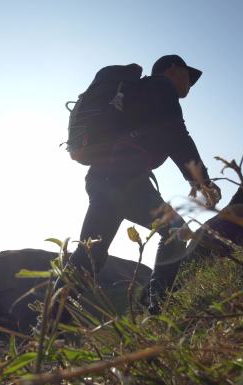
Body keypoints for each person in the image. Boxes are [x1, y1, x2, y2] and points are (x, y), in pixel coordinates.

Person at [67, 54, 221, 315]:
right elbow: (176, 135)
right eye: (187, 76)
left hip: (103, 176)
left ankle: (44, 329)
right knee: (175, 230)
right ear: (172, 70)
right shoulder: (162, 87)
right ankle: (159, 308)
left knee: (89, 253)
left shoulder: (137, 92)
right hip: (126, 177)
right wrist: (203, 182)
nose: (189, 85)